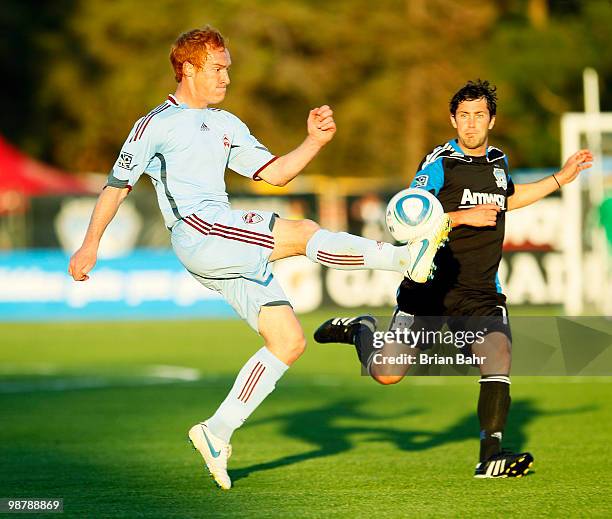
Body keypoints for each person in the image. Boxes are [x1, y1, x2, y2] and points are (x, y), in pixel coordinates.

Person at [68, 26, 450, 490]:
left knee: (287, 340)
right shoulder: (156, 124)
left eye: (228, 67)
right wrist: (90, 245)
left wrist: (314, 142)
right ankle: (404, 260)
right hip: (198, 231)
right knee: (303, 232)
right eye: (217, 68)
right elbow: (116, 186)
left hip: (223, 242)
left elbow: (276, 174)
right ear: (188, 69)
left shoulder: (228, 123)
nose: (227, 77)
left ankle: (216, 430)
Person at [315, 79, 593, 478]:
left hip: (481, 291)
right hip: (430, 288)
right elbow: (406, 218)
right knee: (388, 373)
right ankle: (361, 330)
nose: (471, 123)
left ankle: (490, 456)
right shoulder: (439, 162)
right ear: (453, 119)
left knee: (498, 354)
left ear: (491, 120)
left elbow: (506, 200)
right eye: (464, 116)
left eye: (479, 115)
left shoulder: (499, 160)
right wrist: (461, 216)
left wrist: (559, 179)